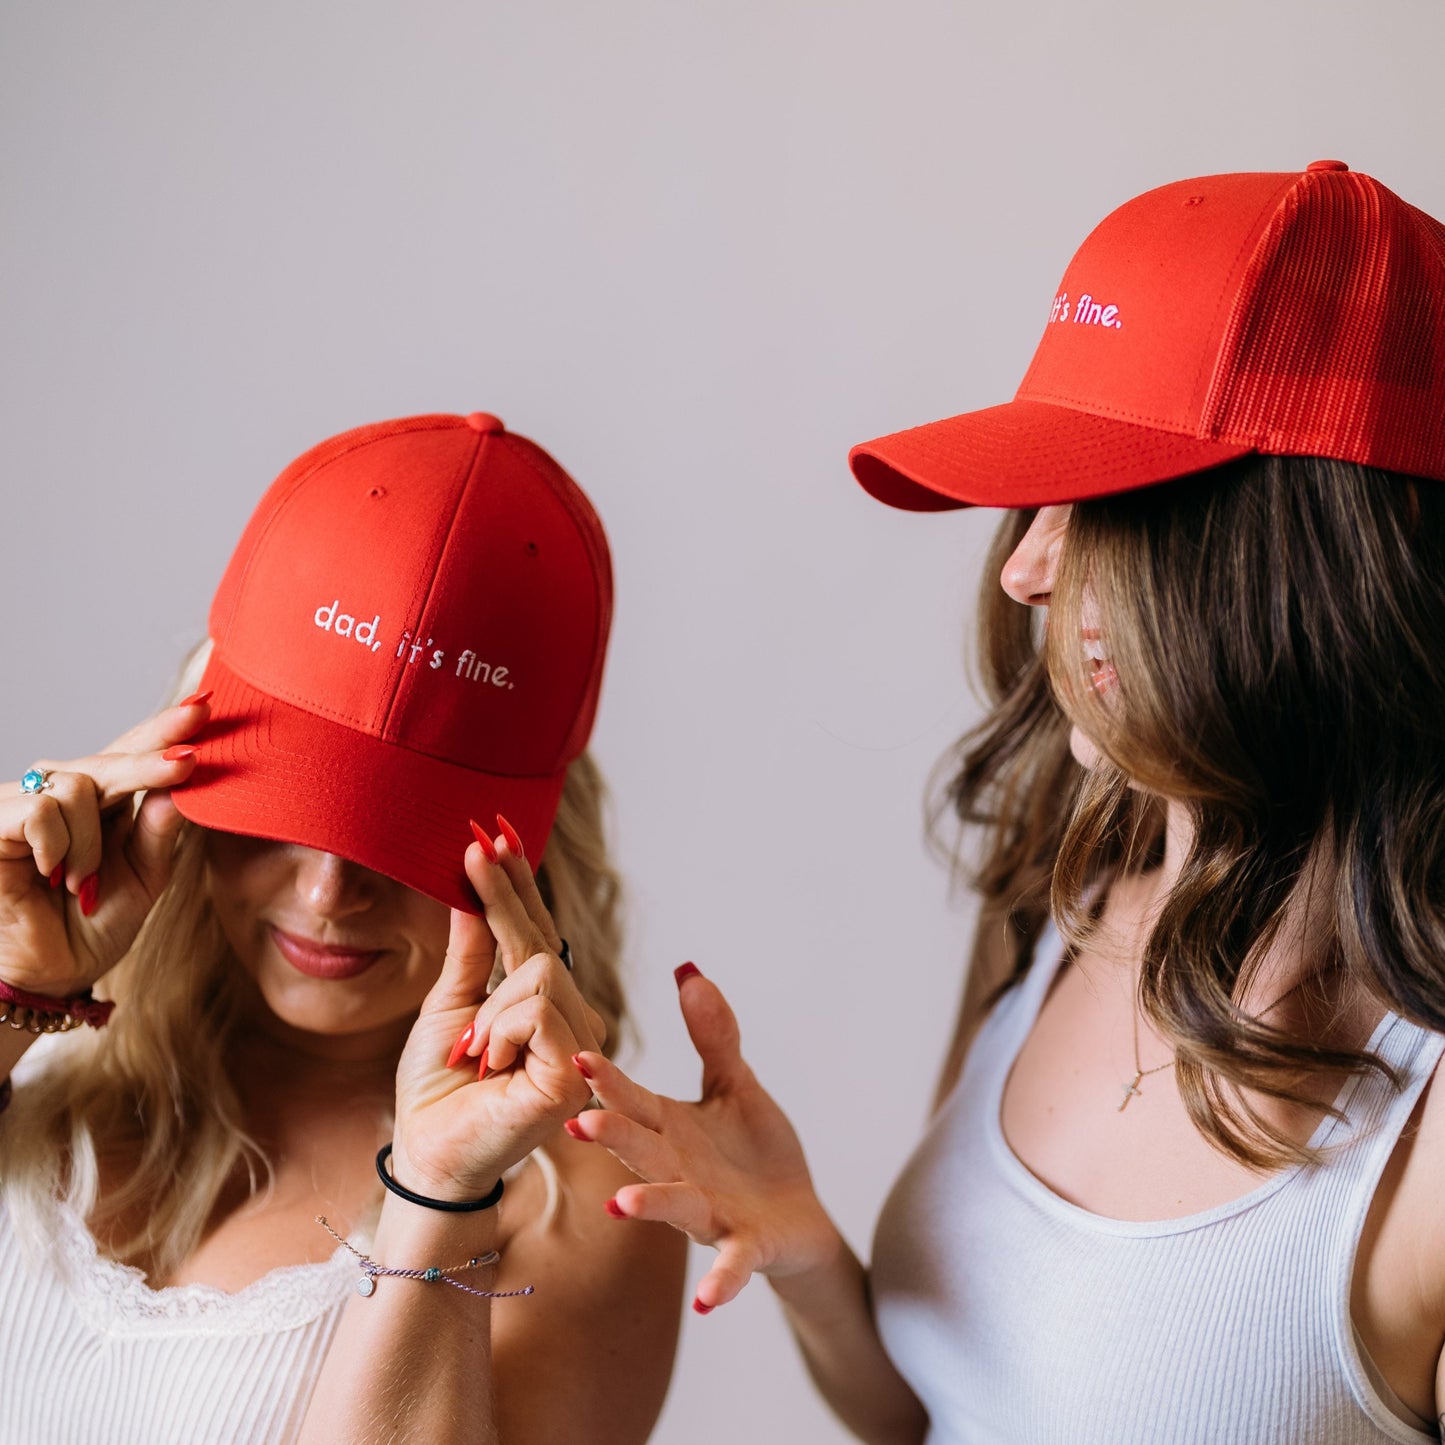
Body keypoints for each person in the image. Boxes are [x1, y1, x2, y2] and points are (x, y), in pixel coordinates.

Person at [569, 162, 1445, 1443]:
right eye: (1036, 496)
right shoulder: (1055, 899)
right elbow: (930, 1413)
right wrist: (807, 1248)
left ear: (1303, 564)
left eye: (1103, 501)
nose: (1026, 565)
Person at [0, 411, 685, 1443]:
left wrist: (438, 1192)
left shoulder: (576, 1205)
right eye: (285, 810)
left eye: (401, 843)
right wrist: (15, 985)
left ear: (534, 857)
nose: (326, 893)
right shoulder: (38, 1055)